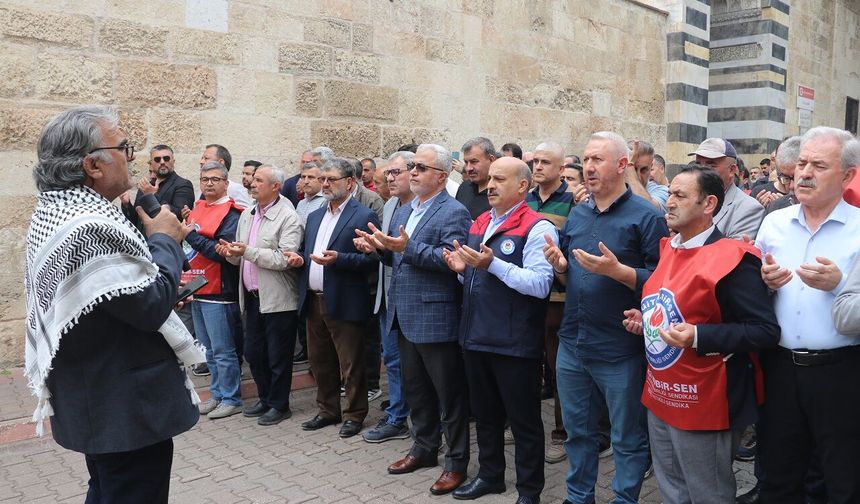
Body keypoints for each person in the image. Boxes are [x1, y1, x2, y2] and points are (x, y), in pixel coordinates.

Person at [25, 105, 204, 503]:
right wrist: (165, 240)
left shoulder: (60, 212)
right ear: (92, 165)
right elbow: (151, 305)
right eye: (125, 146)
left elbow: (114, 297)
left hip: (101, 395)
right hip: (124, 404)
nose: (133, 156)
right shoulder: (88, 226)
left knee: (108, 490)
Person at [622, 166, 780, 504]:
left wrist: (698, 336)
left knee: (708, 493)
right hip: (661, 393)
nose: (669, 202)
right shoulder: (670, 248)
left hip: (706, 399)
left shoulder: (734, 258)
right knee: (672, 490)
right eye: (671, 194)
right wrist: (646, 319)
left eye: (680, 195)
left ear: (708, 204)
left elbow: (764, 331)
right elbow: (671, 306)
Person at [543, 131, 668, 504]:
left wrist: (619, 272)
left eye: (598, 159)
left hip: (620, 347)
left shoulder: (647, 217)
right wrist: (562, 267)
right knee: (578, 434)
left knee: (626, 437)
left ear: (622, 165)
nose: (589, 167)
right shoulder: (579, 214)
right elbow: (571, 276)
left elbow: (662, 283)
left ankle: (625, 498)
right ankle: (579, 496)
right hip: (573, 343)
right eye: (586, 159)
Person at [357, 143, 472, 497]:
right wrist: (379, 249)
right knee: (418, 391)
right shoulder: (409, 211)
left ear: (441, 175)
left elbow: (451, 259)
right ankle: (423, 449)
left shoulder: (454, 211)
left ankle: (456, 463)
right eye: (413, 166)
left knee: (448, 396)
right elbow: (400, 258)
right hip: (404, 315)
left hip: (436, 316)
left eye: (420, 167)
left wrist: (405, 248)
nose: (413, 172)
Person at [755, 126, 860, 504]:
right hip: (780, 367)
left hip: (841, 371)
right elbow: (755, 288)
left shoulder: (858, 229)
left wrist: (840, 283)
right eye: (801, 164)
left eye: (818, 165)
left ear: (847, 175)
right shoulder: (774, 223)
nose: (804, 173)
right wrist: (763, 282)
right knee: (779, 472)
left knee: (841, 476)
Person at [444, 157, 557, 504]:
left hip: (514, 342)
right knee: (488, 418)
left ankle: (529, 491)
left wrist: (492, 264)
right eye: (490, 179)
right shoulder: (479, 221)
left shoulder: (538, 227)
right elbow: (479, 279)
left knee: (523, 423)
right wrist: (462, 270)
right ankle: (491, 477)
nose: (490, 185)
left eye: (500, 179)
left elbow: (540, 284)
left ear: (522, 186)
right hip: (476, 336)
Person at [288, 158, 380, 439]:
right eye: (323, 179)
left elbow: (374, 258)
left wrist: (340, 260)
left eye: (331, 179)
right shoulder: (315, 215)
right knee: (320, 361)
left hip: (344, 299)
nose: (325, 184)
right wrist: (299, 259)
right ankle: (328, 410)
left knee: (350, 363)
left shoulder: (363, 215)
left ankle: (354, 414)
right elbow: (310, 253)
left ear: (350, 182)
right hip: (314, 299)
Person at [217, 165, 303, 426]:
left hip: (278, 298)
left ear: (275, 186)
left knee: (278, 355)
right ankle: (265, 398)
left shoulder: (288, 217)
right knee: (254, 353)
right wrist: (231, 254)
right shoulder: (248, 214)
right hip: (252, 297)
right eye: (252, 180)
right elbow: (242, 258)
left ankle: (280, 404)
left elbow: (284, 260)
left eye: (259, 180)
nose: (252, 184)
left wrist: (247, 252)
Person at [524, 142, 577, 464]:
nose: (538, 167)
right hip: (529, 296)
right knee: (528, 365)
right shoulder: (525, 201)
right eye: (536, 161)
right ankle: (524, 427)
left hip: (560, 299)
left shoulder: (575, 202)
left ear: (561, 169)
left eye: (546, 162)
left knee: (559, 370)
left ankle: (561, 434)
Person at [360, 151, 415, 444]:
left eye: (396, 173)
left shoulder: (424, 206)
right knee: (392, 360)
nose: (390, 179)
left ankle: (416, 418)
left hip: (413, 300)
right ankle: (397, 416)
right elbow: (388, 251)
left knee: (416, 365)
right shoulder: (391, 204)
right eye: (388, 174)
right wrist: (373, 246)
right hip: (387, 295)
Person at [185, 161, 244, 420]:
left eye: (215, 179)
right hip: (197, 287)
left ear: (226, 183)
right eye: (204, 179)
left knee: (223, 349)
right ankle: (217, 394)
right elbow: (189, 250)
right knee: (208, 350)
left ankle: (231, 398)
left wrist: (189, 235)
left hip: (220, 290)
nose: (209, 183)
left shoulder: (233, 214)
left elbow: (221, 252)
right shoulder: (198, 208)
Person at [691, 138, 764, 239]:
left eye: (711, 165)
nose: (701, 171)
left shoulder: (749, 209)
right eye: (698, 165)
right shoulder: (689, 200)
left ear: (732, 170)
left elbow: (733, 252)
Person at [122, 144, 195, 228]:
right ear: (151, 164)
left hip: (165, 239)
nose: (162, 162)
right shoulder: (146, 186)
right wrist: (126, 204)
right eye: (157, 159)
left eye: (166, 158)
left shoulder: (183, 185)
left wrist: (153, 196)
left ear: (173, 161)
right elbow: (136, 220)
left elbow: (178, 216)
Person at [199, 143, 252, 208]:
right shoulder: (202, 188)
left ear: (221, 162)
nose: (201, 161)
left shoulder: (235, 189)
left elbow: (244, 214)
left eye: (206, 158)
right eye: (205, 180)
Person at [457, 137, 497, 219]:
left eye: (474, 162)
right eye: (466, 162)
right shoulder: (464, 188)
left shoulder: (501, 193)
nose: (468, 168)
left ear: (491, 160)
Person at [625, 140, 668, 210]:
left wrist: (630, 166)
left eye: (644, 170)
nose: (638, 176)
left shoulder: (662, 191)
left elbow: (650, 209)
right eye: (634, 169)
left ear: (651, 167)